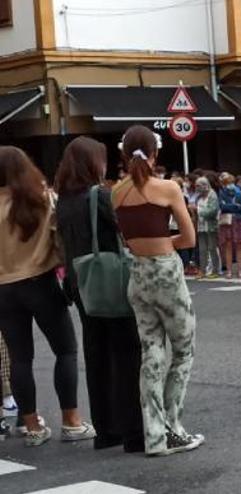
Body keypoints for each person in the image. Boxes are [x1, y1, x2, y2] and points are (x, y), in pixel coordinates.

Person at [112, 125, 203, 456]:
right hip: (166, 271)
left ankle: (153, 435)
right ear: (155, 153)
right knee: (183, 351)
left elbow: (129, 240)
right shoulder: (167, 187)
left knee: (151, 352)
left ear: (124, 154)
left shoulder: (116, 193)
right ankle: (172, 427)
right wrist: (166, 245)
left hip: (138, 274)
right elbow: (190, 238)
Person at [0, 146, 96, 447]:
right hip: (40, 280)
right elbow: (61, 240)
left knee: (20, 358)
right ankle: (71, 421)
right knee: (65, 350)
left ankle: (32, 427)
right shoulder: (41, 199)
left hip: (3, 288)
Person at [55, 136, 145, 452]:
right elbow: (126, 229)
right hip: (109, 277)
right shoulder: (99, 195)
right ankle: (134, 430)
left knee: (96, 354)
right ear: (94, 163)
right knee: (127, 352)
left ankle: (106, 430)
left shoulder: (63, 200)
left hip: (80, 282)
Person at [217, 172, 241, 279]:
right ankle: (230, 271)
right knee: (228, 246)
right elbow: (222, 206)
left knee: (238, 246)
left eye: (230, 182)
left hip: (236, 220)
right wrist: (235, 206)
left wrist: (229, 206)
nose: (229, 184)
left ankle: (239, 271)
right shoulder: (222, 193)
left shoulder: (238, 193)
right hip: (229, 221)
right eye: (227, 183)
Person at [192, 177, 220, 279]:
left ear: (205, 185)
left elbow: (212, 211)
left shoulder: (212, 195)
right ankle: (202, 270)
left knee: (212, 248)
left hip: (211, 225)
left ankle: (215, 270)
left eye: (199, 185)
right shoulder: (198, 197)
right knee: (202, 249)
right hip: (200, 226)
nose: (197, 188)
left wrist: (198, 210)